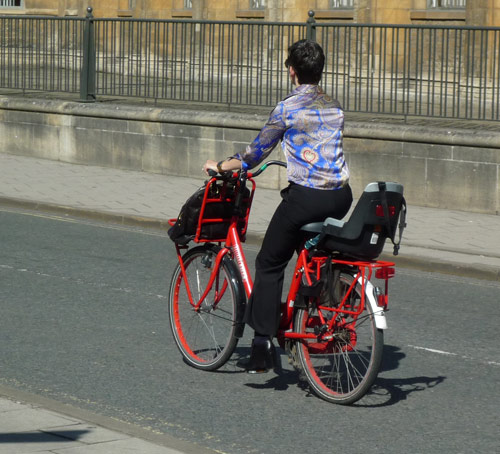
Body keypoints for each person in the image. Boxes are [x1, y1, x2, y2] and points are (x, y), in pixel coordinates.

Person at [203, 39, 352, 373]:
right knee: (306, 250)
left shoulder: (288, 108)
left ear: (292, 71)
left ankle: (261, 341)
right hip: (342, 195)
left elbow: (256, 153)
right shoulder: (335, 105)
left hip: (308, 196)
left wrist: (221, 165)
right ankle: (306, 306)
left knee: (269, 261)